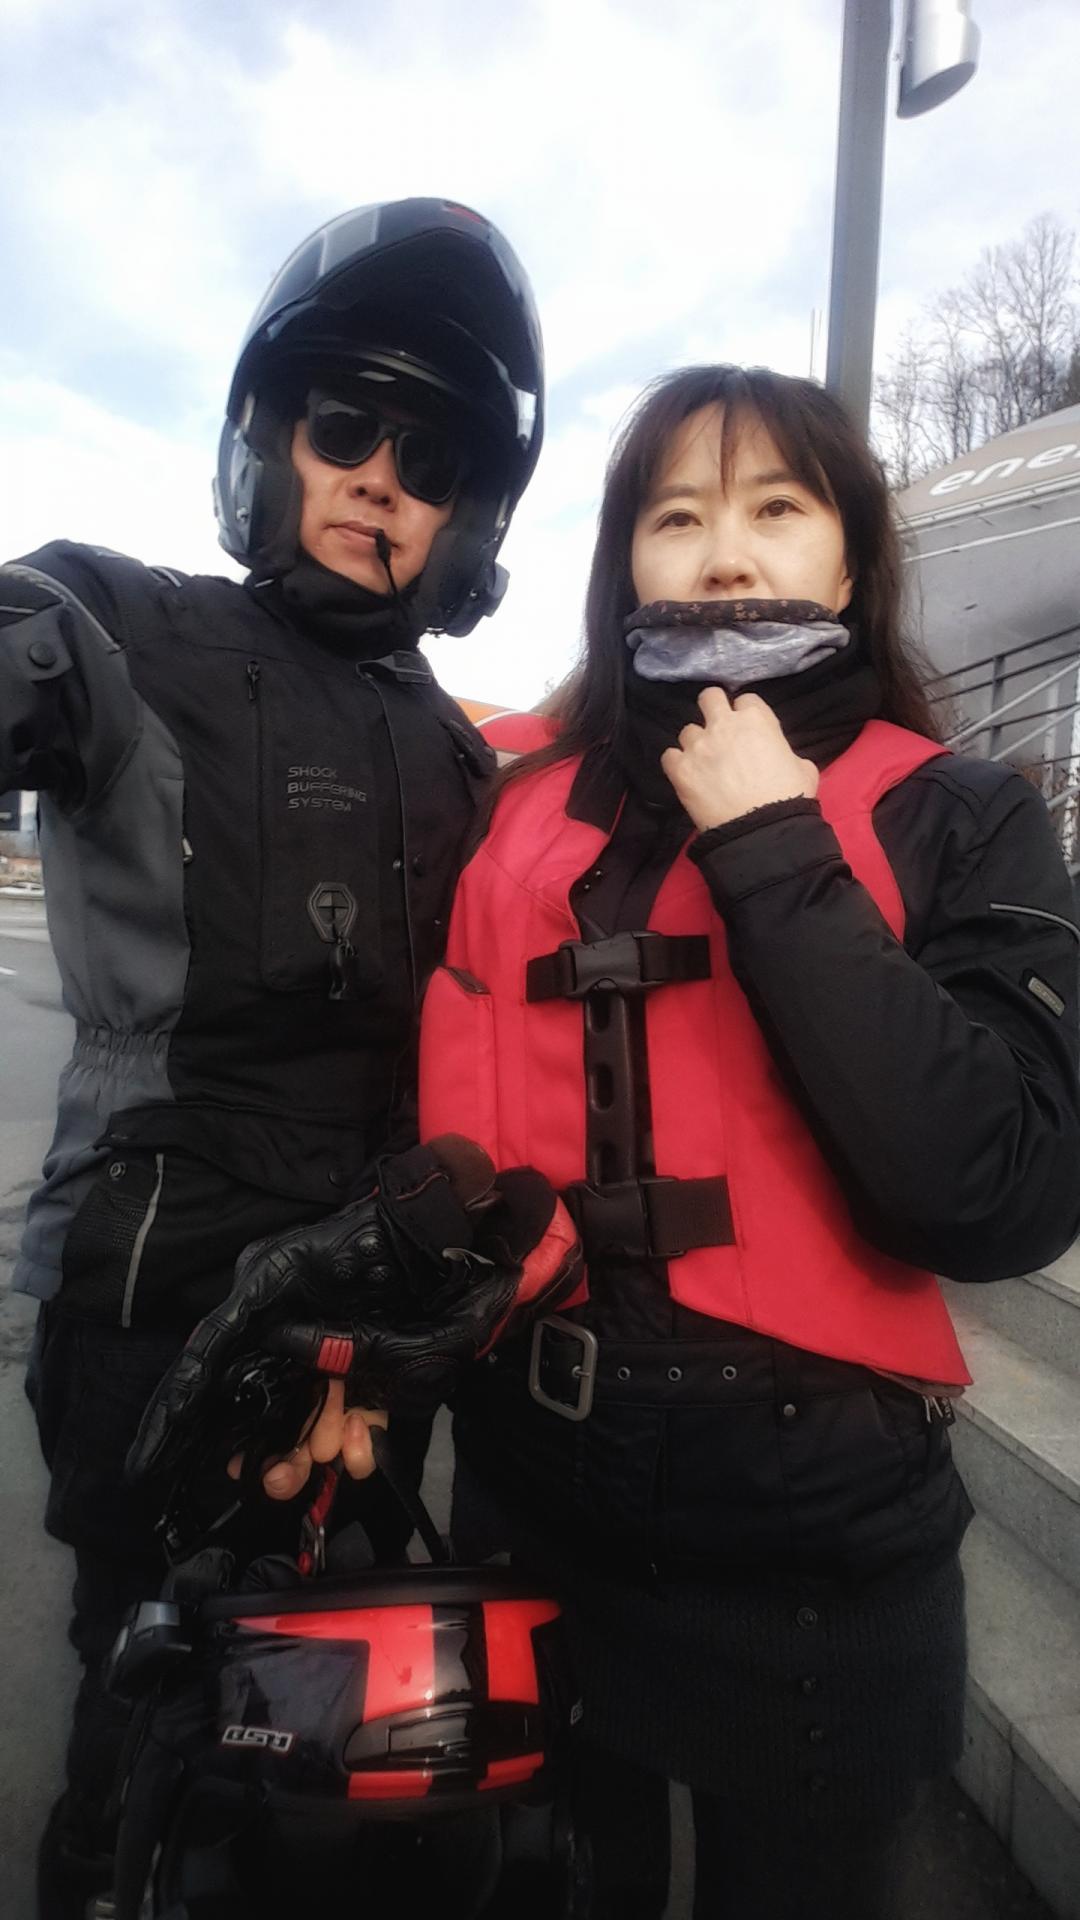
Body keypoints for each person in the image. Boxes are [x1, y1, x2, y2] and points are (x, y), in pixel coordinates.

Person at [145, 362, 1080, 1917]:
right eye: (678, 517)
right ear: (624, 562)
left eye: (777, 509)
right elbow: (433, 1118)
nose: (726, 554)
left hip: (817, 1556)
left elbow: (999, 1192)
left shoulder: (966, 813)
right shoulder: (518, 809)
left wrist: (773, 844)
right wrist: (362, 1350)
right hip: (533, 1505)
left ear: (851, 560)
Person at [0, 196, 543, 1918]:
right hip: (154, 1310)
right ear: (270, 445)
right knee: (145, 1718)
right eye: (344, 426)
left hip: (372, 1334)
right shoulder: (130, 624)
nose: (380, 477)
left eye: (429, 458)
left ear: (466, 517)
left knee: (347, 1762)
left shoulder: (471, 757)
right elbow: (27, 639)